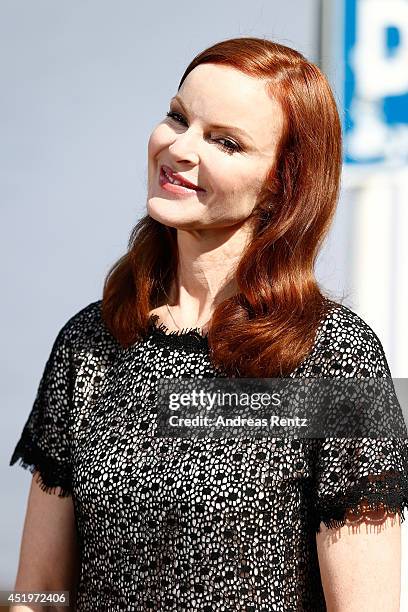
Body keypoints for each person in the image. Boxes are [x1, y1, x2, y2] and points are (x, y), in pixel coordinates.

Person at [9, 36, 408, 611]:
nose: (180, 148)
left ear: (281, 184)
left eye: (226, 141)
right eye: (177, 117)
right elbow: (38, 590)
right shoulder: (89, 344)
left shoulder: (335, 359)